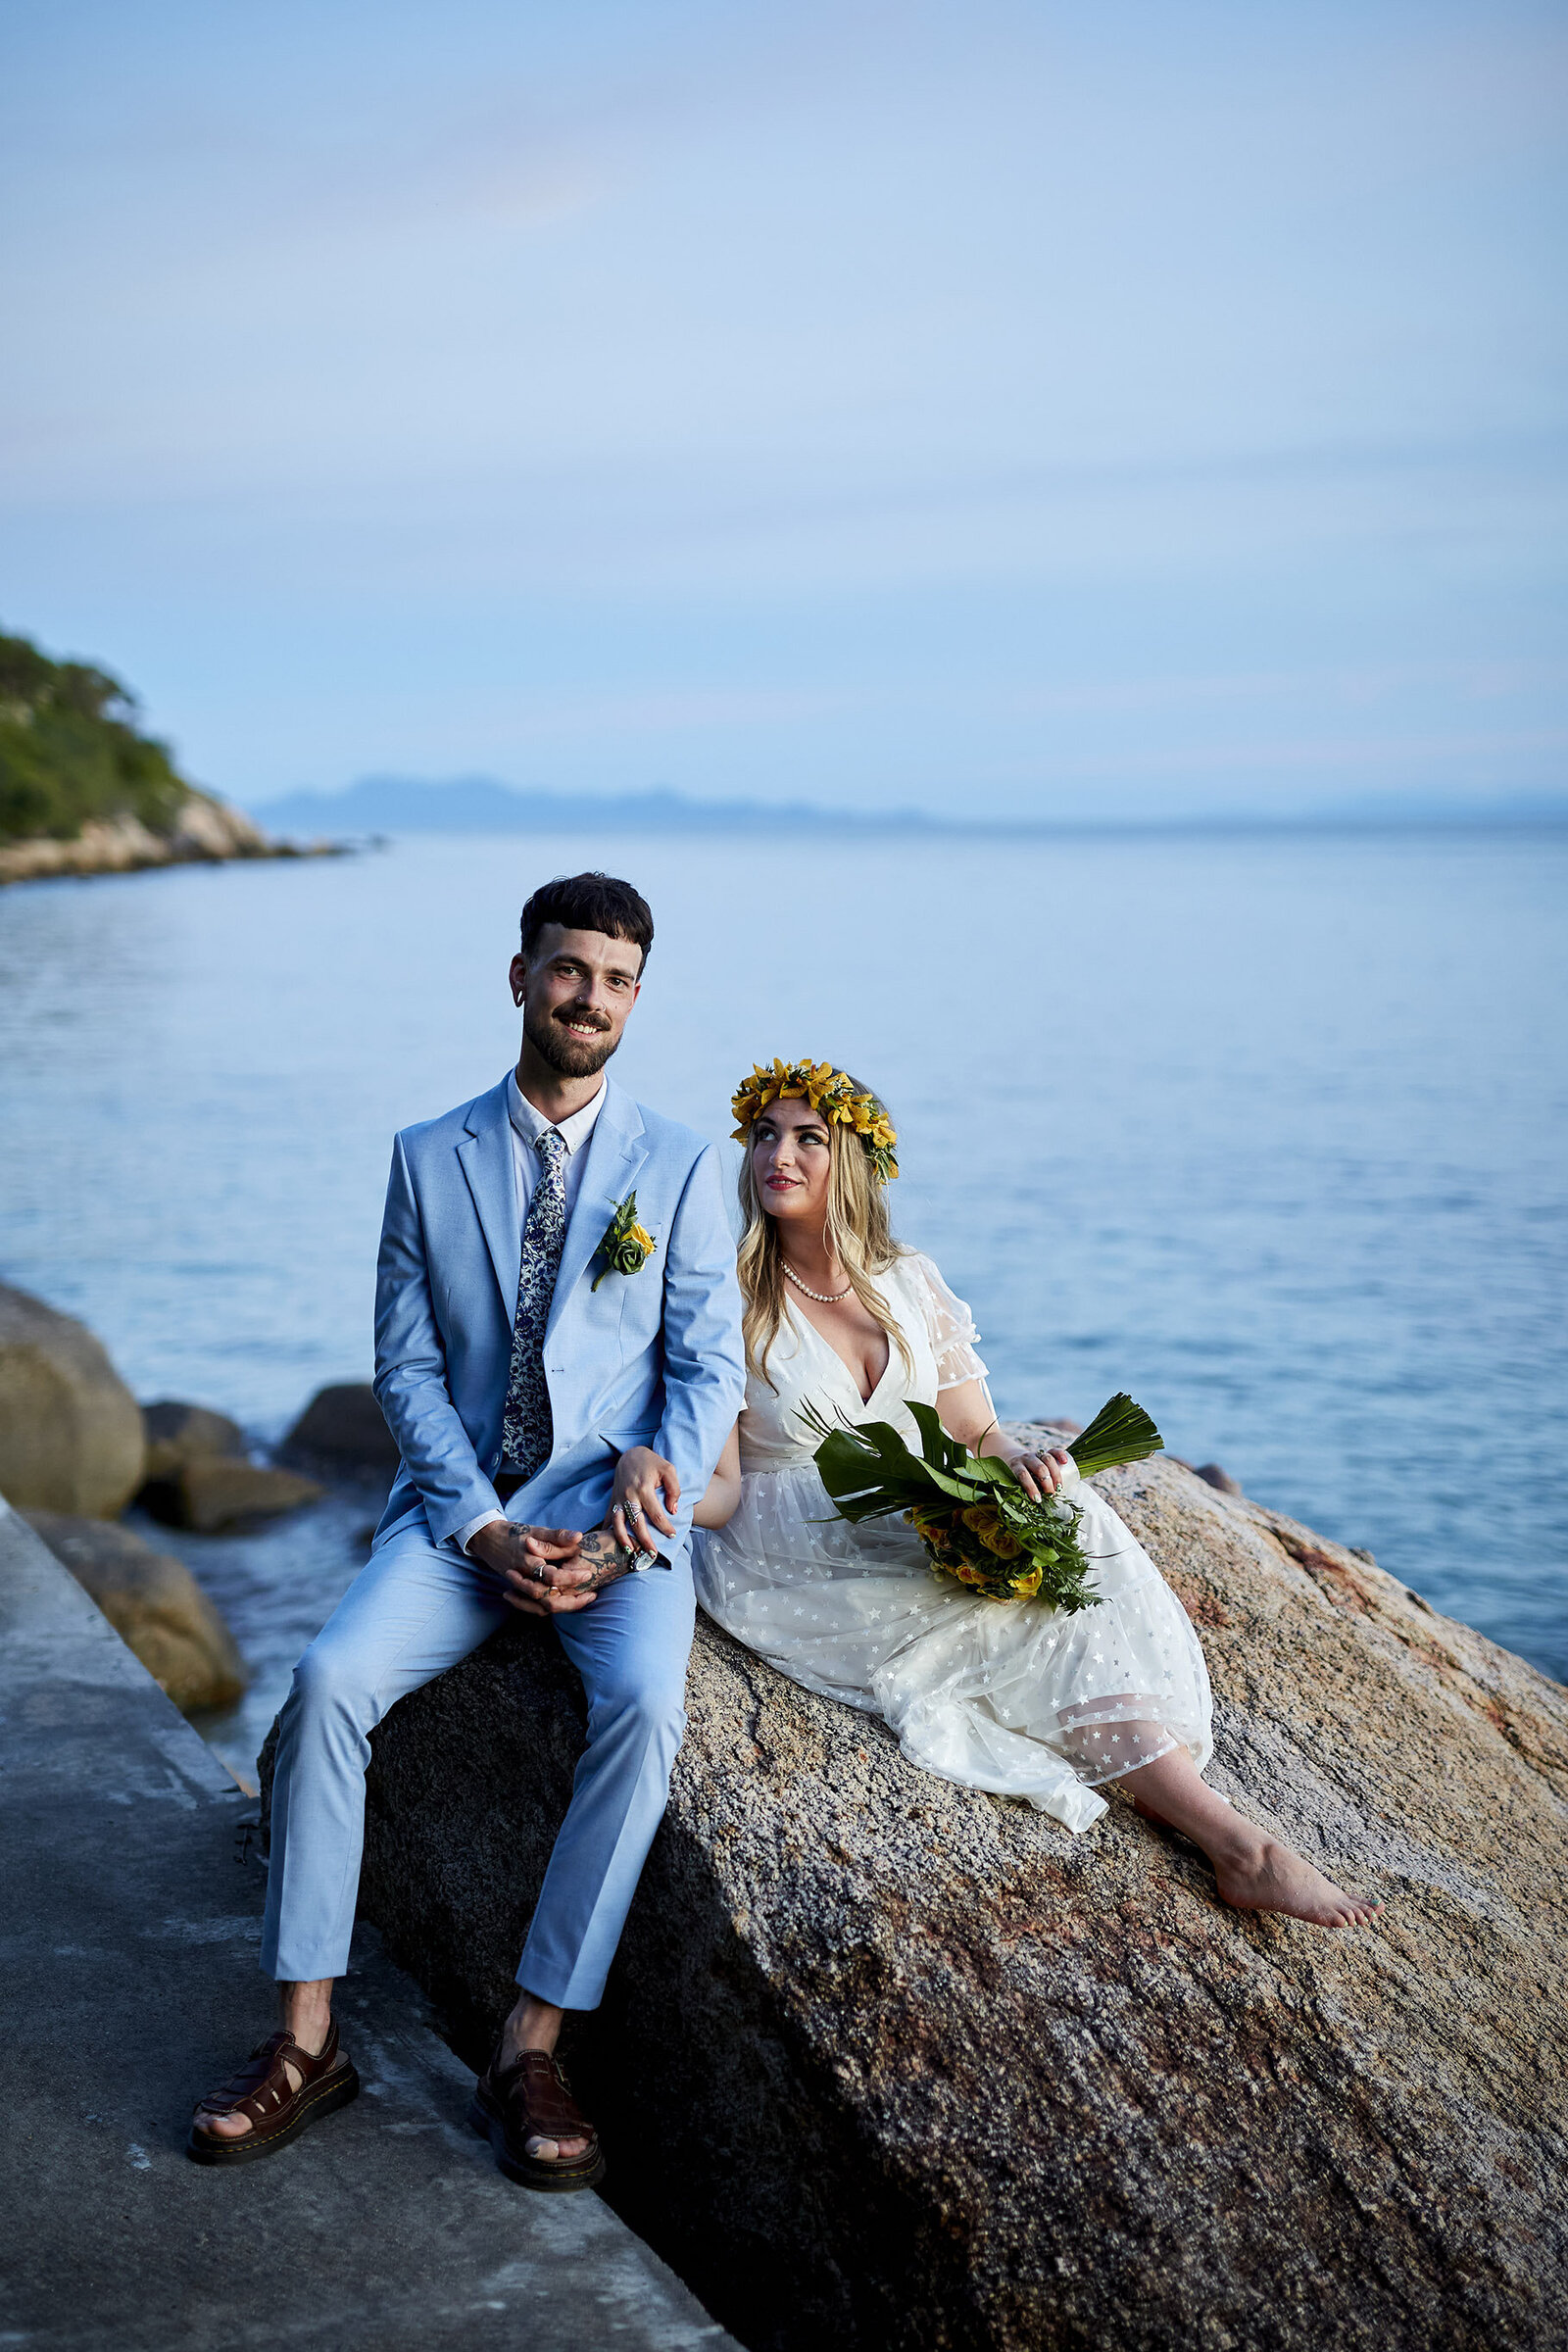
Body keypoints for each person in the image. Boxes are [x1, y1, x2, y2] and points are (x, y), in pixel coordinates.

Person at [189, 874, 746, 2185]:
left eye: (614, 980)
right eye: (568, 971)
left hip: (620, 1525)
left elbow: (706, 1365)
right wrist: (483, 1527)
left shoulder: (678, 1164)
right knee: (327, 1679)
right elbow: (405, 1372)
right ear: (520, 979)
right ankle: (306, 2040)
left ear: (636, 998)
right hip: (464, 1520)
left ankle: (530, 2041)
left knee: (647, 1712)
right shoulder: (424, 1156)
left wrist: (637, 1508)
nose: (588, 999)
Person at [692, 1058, 1385, 1931]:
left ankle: (1202, 1813)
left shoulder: (910, 1283)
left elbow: (978, 1433)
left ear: (856, 1162)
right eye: (763, 1136)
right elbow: (718, 1489)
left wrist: (1021, 1466)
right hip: (801, 1539)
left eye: (807, 1139)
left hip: (912, 1507)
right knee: (1011, 1620)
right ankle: (1241, 1848)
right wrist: (648, 1495)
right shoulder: (730, 1301)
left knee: (1065, 1520)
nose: (776, 1156)